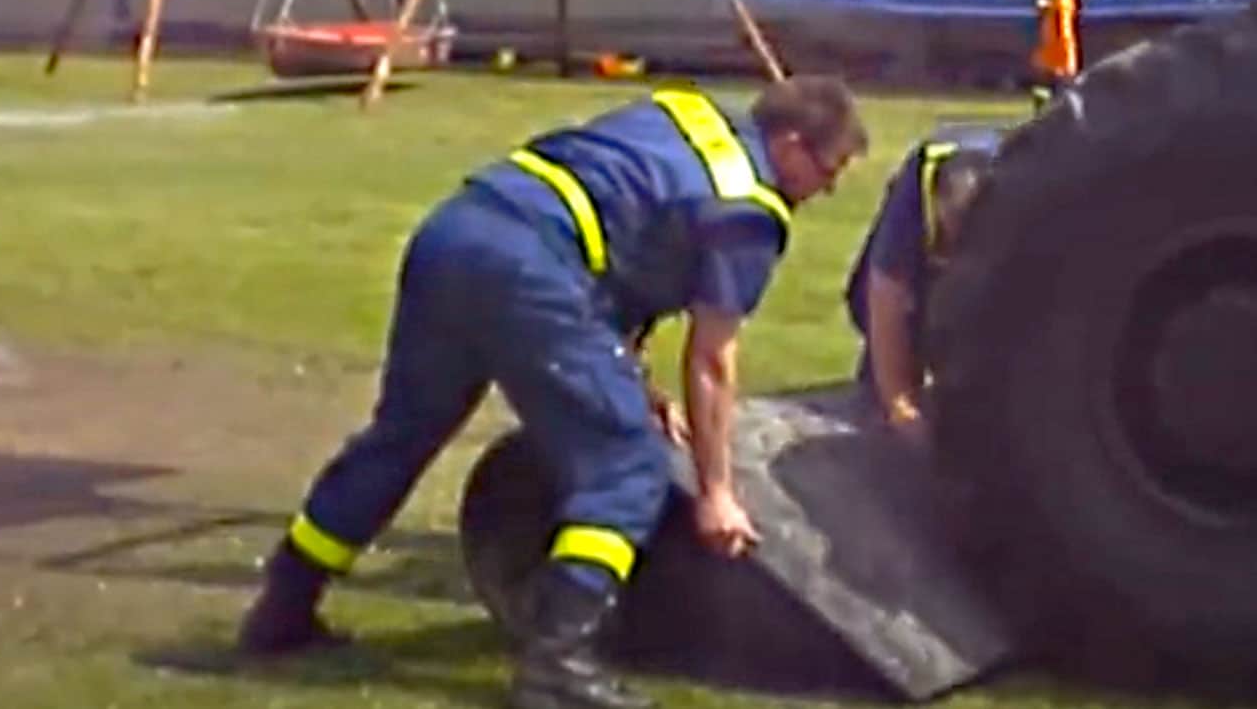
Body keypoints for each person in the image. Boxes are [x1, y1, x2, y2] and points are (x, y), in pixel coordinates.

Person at [237, 77, 868, 709]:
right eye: (828, 169)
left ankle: (283, 608)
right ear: (790, 144)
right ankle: (558, 664)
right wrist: (717, 493)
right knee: (627, 462)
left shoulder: (690, 116)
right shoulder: (748, 209)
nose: (827, 188)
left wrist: (631, 378)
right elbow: (711, 358)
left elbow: (623, 241)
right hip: (532, 270)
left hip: (457, 231)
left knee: (402, 434)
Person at [843, 123, 1000, 440]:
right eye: (951, 235)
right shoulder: (917, 191)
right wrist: (899, 405)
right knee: (884, 394)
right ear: (939, 206)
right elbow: (887, 291)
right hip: (913, 243)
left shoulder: (1017, 194)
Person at [1019, 0, 1088, 113]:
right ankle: (1041, 107)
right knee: (1047, 64)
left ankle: (1066, 104)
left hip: (1066, 17)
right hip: (1051, 18)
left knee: (1067, 65)